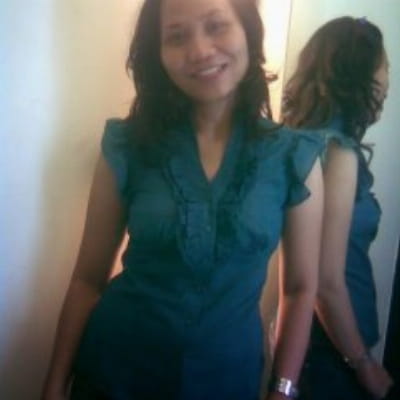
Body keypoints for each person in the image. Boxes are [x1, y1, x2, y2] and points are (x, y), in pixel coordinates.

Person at [42, 0, 324, 399]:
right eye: (176, 36)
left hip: (227, 380)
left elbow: (300, 287)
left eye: (216, 26)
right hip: (115, 372)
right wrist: (54, 385)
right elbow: (87, 279)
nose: (200, 50)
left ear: (248, 31)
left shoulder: (294, 156)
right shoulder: (127, 145)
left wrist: (283, 389)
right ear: (157, 54)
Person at [283, 16, 393, 400]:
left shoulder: (299, 142)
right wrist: (364, 365)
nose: (388, 80)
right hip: (336, 351)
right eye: (385, 67)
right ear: (360, 72)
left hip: (317, 345)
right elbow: (327, 283)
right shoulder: (338, 152)